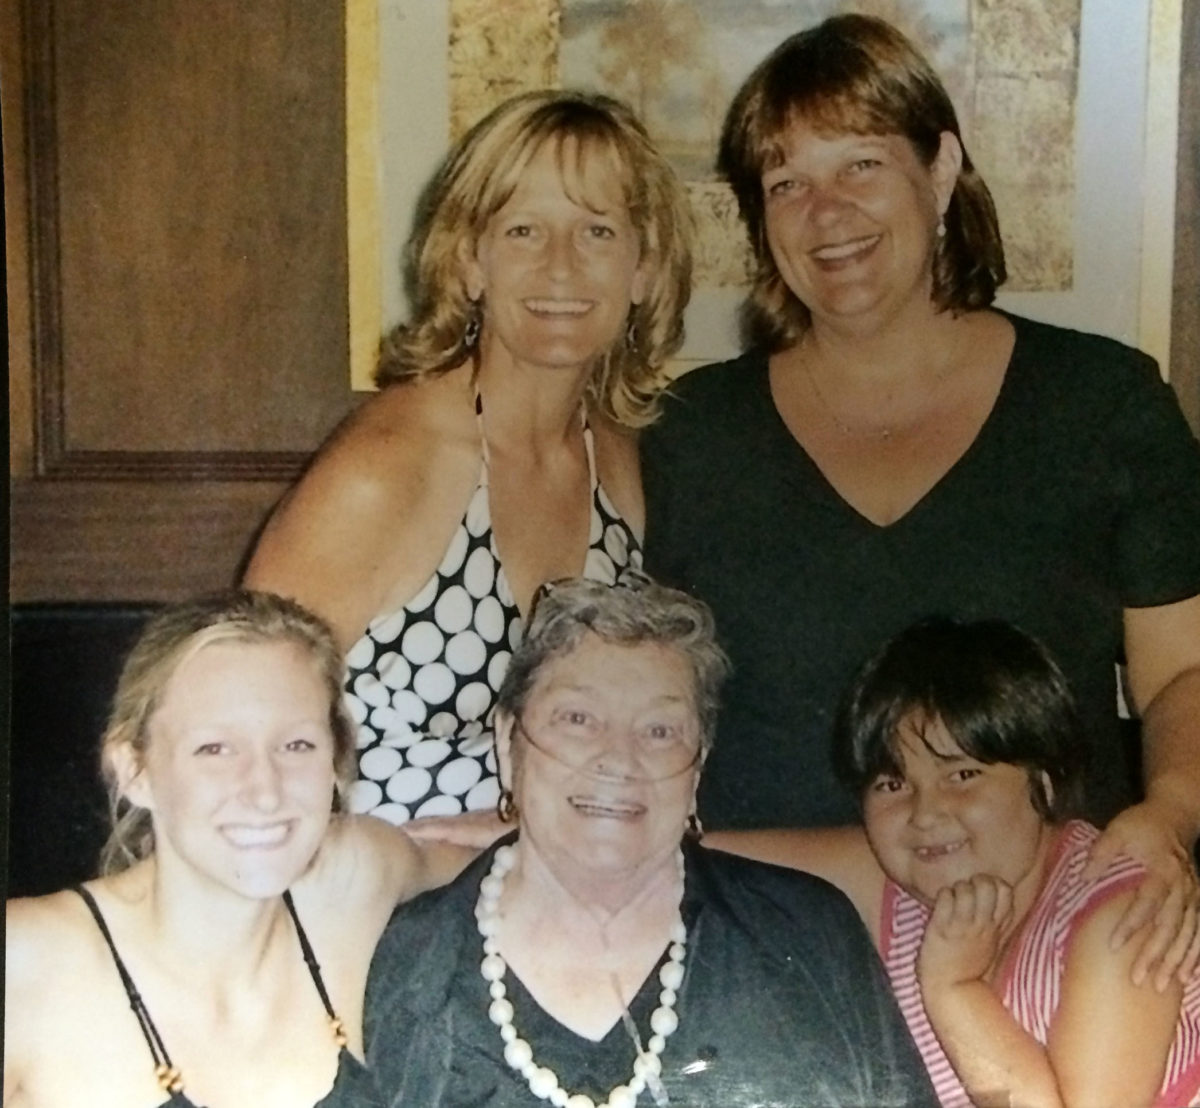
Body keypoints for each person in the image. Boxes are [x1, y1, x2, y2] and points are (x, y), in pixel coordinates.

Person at [640, 12, 1200, 909]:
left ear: (940, 169)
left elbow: (1181, 674)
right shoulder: (689, 431)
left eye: (861, 164)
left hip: (1040, 938)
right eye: (787, 183)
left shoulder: (1102, 404)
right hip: (762, 932)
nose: (827, 212)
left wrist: (1169, 816)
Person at [244, 90, 692, 826]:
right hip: (359, 880)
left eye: (597, 232)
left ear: (643, 269)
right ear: (469, 263)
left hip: (555, 885)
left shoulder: (617, 460)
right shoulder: (386, 469)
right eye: (523, 231)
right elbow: (236, 736)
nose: (560, 266)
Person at [364, 574, 938, 1107]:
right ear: (508, 742)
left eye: (660, 730)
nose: (619, 758)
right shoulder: (397, 966)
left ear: (698, 766)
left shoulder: (808, 934)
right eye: (578, 719)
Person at [4, 590, 473, 1108]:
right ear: (135, 771)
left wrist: (514, 818)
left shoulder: (351, 878)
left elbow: (502, 872)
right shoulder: (29, 962)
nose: (265, 791)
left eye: (296, 745)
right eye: (215, 749)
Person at [709, 618, 1200, 1108]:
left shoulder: (1125, 912)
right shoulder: (907, 886)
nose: (925, 814)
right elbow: (695, 860)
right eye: (893, 784)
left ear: (1044, 782)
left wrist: (954, 989)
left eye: (962, 775)